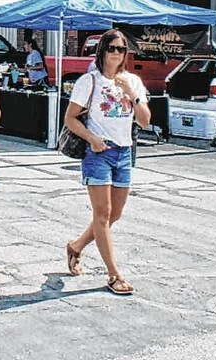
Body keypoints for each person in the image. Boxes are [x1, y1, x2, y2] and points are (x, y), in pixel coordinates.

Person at [63, 29, 151, 296]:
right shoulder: (89, 81)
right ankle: (114, 274)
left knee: (115, 214)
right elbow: (70, 118)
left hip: (124, 152)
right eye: (111, 48)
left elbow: (145, 121)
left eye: (121, 49)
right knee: (102, 214)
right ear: (102, 51)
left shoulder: (132, 81)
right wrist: (92, 138)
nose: (116, 53)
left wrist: (132, 94)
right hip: (99, 153)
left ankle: (76, 246)